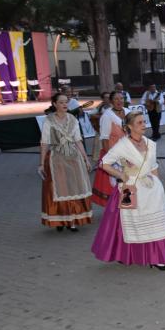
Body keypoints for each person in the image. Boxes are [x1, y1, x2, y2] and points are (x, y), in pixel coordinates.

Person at [91, 112, 165, 270]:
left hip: (152, 189)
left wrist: (159, 186)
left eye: (144, 121)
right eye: (139, 123)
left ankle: (157, 257)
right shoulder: (122, 145)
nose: (144, 124)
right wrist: (120, 175)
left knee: (156, 223)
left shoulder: (150, 143)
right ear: (129, 127)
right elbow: (104, 163)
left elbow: (153, 167)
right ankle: (126, 254)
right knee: (127, 224)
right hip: (131, 188)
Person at [39, 93, 92, 231]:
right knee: (60, 188)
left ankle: (72, 220)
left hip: (74, 158)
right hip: (57, 158)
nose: (64, 105)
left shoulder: (73, 119)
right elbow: (44, 143)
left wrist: (86, 159)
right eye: (61, 102)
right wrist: (41, 163)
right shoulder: (49, 120)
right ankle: (61, 219)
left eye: (66, 102)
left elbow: (78, 140)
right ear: (55, 104)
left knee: (74, 187)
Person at [92, 92, 129, 207]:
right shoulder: (107, 116)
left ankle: (128, 206)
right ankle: (115, 210)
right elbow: (104, 138)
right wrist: (110, 159)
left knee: (129, 181)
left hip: (128, 154)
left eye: (121, 98)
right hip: (114, 154)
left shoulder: (128, 113)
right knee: (116, 184)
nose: (119, 101)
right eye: (116, 99)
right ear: (111, 102)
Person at [90, 91, 111, 164]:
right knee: (99, 147)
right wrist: (101, 116)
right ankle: (100, 163)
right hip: (101, 131)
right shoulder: (100, 106)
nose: (108, 99)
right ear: (103, 99)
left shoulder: (114, 106)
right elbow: (91, 114)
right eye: (106, 97)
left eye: (109, 97)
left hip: (112, 131)